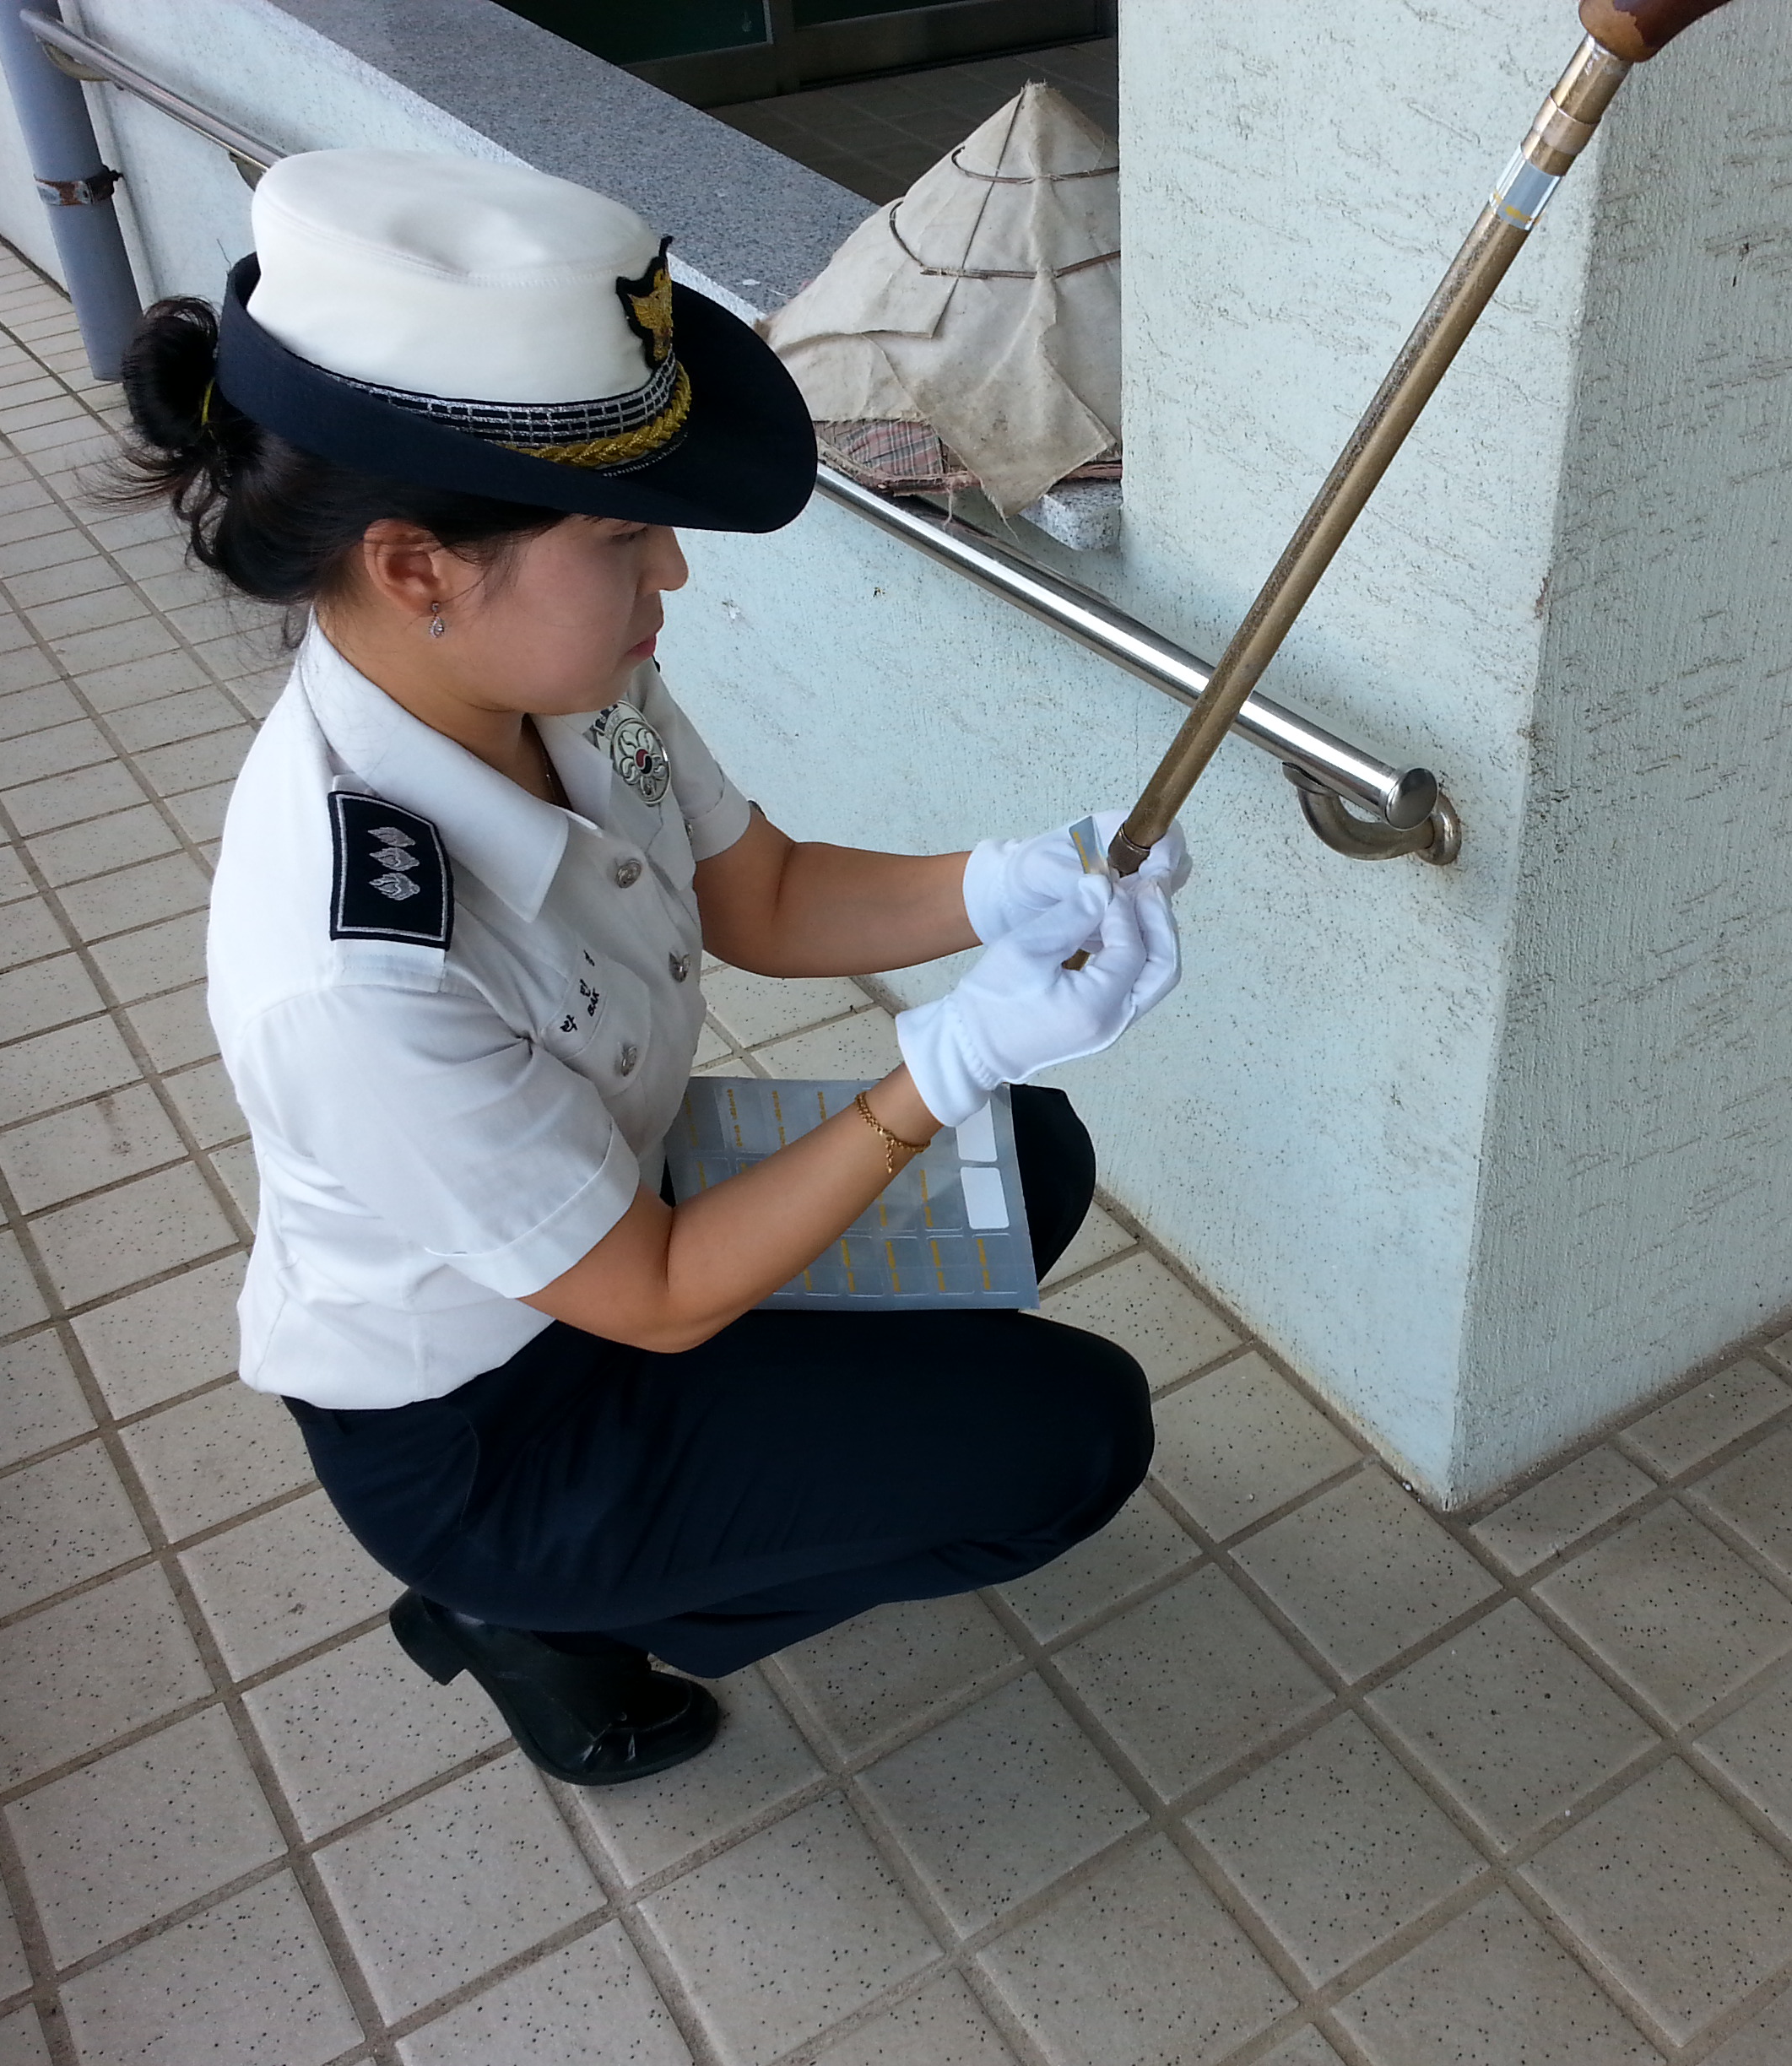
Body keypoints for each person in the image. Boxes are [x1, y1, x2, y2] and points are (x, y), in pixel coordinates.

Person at [123, 149, 1186, 1784]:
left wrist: (1011, 880)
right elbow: (656, 1296)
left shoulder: (539, 676)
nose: (671, 576)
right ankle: (537, 1622)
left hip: (618, 1221)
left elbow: (756, 895)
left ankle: (750, 1476)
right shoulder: (352, 964)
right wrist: (944, 1060)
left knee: (1021, 1161)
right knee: (1066, 1437)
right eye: (625, 540)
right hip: (492, 1423)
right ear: (419, 567)